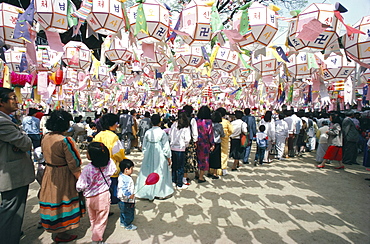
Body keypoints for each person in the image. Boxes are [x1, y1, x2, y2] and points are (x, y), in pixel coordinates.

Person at [39, 110, 82, 242]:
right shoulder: (66, 141)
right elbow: (74, 163)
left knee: (52, 199)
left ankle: (54, 227)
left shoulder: (45, 137)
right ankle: (62, 232)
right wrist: (80, 180)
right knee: (63, 199)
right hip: (63, 174)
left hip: (49, 172)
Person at [0, 87, 35, 244]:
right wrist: (23, 138)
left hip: (12, 172)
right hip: (12, 175)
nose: (17, 101)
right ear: (1, 102)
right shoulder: (3, 122)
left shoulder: (7, 119)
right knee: (11, 211)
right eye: (13, 98)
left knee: (12, 210)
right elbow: (26, 143)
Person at [76, 142, 116, 244]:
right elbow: (114, 170)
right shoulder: (109, 163)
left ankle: (95, 234)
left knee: (93, 218)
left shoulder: (87, 169)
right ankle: (96, 238)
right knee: (101, 220)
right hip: (103, 196)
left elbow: (80, 185)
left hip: (90, 198)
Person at [135, 114, 173, 200]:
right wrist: (168, 157)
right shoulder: (162, 132)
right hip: (160, 154)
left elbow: (144, 146)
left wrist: (146, 153)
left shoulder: (148, 132)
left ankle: (147, 191)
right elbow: (166, 147)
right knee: (160, 171)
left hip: (149, 153)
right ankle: (160, 192)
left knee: (148, 171)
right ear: (160, 122)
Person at [94, 113, 127, 205]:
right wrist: (122, 159)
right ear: (111, 124)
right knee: (113, 187)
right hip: (112, 166)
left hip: (99, 166)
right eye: (116, 123)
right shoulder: (113, 137)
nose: (117, 125)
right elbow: (117, 153)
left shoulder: (98, 135)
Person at [169, 111, 191, 189]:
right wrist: (185, 145)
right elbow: (187, 139)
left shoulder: (174, 125)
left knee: (174, 165)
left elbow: (170, 135)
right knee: (181, 166)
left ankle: (173, 181)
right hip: (181, 148)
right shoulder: (186, 126)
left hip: (173, 147)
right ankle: (179, 184)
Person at [195, 106, 215, 183]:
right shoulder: (209, 122)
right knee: (204, 159)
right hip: (205, 143)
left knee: (196, 158)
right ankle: (201, 176)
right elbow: (210, 134)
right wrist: (212, 144)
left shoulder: (196, 121)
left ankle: (196, 173)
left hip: (196, 142)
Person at [117, 159, 137, 230]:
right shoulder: (127, 179)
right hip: (127, 200)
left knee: (123, 212)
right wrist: (129, 195)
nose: (132, 170)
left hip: (121, 199)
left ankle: (122, 222)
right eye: (131, 168)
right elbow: (125, 189)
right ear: (126, 169)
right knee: (129, 213)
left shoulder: (121, 176)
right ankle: (128, 225)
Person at [183, 105, 198, 184]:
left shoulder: (180, 119)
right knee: (189, 159)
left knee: (182, 158)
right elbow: (194, 132)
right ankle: (185, 177)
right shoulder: (192, 120)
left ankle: (181, 176)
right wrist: (195, 141)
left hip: (180, 142)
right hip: (189, 142)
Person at [216, 107, 233, 176]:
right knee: (224, 154)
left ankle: (215, 170)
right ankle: (223, 169)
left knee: (216, 154)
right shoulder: (226, 122)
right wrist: (227, 135)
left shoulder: (215, 121)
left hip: (216, 139)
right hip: (224, 140)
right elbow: (231, 130)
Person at [208, 111, 224, 179]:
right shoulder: (219, 125)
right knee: (216, 158)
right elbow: (222, 134)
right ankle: (215, 173)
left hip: (209, 142)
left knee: (209, 157)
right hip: (217, 142)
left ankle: (209, 171)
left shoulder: (209, 124)